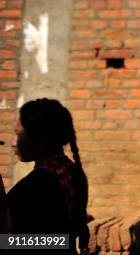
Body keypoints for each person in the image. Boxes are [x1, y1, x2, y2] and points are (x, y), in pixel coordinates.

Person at [8, 98, 89, 254]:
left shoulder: (37, 185)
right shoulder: (72, 171)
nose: (13, 142)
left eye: (18, 134)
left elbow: (49, 241)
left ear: (42, 136)